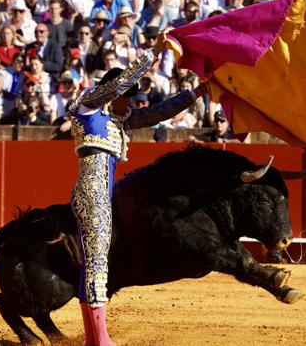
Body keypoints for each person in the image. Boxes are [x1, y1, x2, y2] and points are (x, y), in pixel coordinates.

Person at [67, 27, 207, 346]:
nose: (130, 100)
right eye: (127, 95)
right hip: (93, 193)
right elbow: (120, 83)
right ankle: (99, 340)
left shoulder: (120, 121)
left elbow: (160, 112)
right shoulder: (87, 106)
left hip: (102, 193)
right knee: (98, 262)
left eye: (131, 97)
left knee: (98, 262)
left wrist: (197, 92)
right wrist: (154, 52)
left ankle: (95, 338)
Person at [24, 23, 64, 89]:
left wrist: (40, 65)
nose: (38, 34)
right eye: (36, 32)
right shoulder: (29, 47)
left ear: (47, 33)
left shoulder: (55, 46)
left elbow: (58, 66)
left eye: (41, 32)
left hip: (50, 80)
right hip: (31, 80)